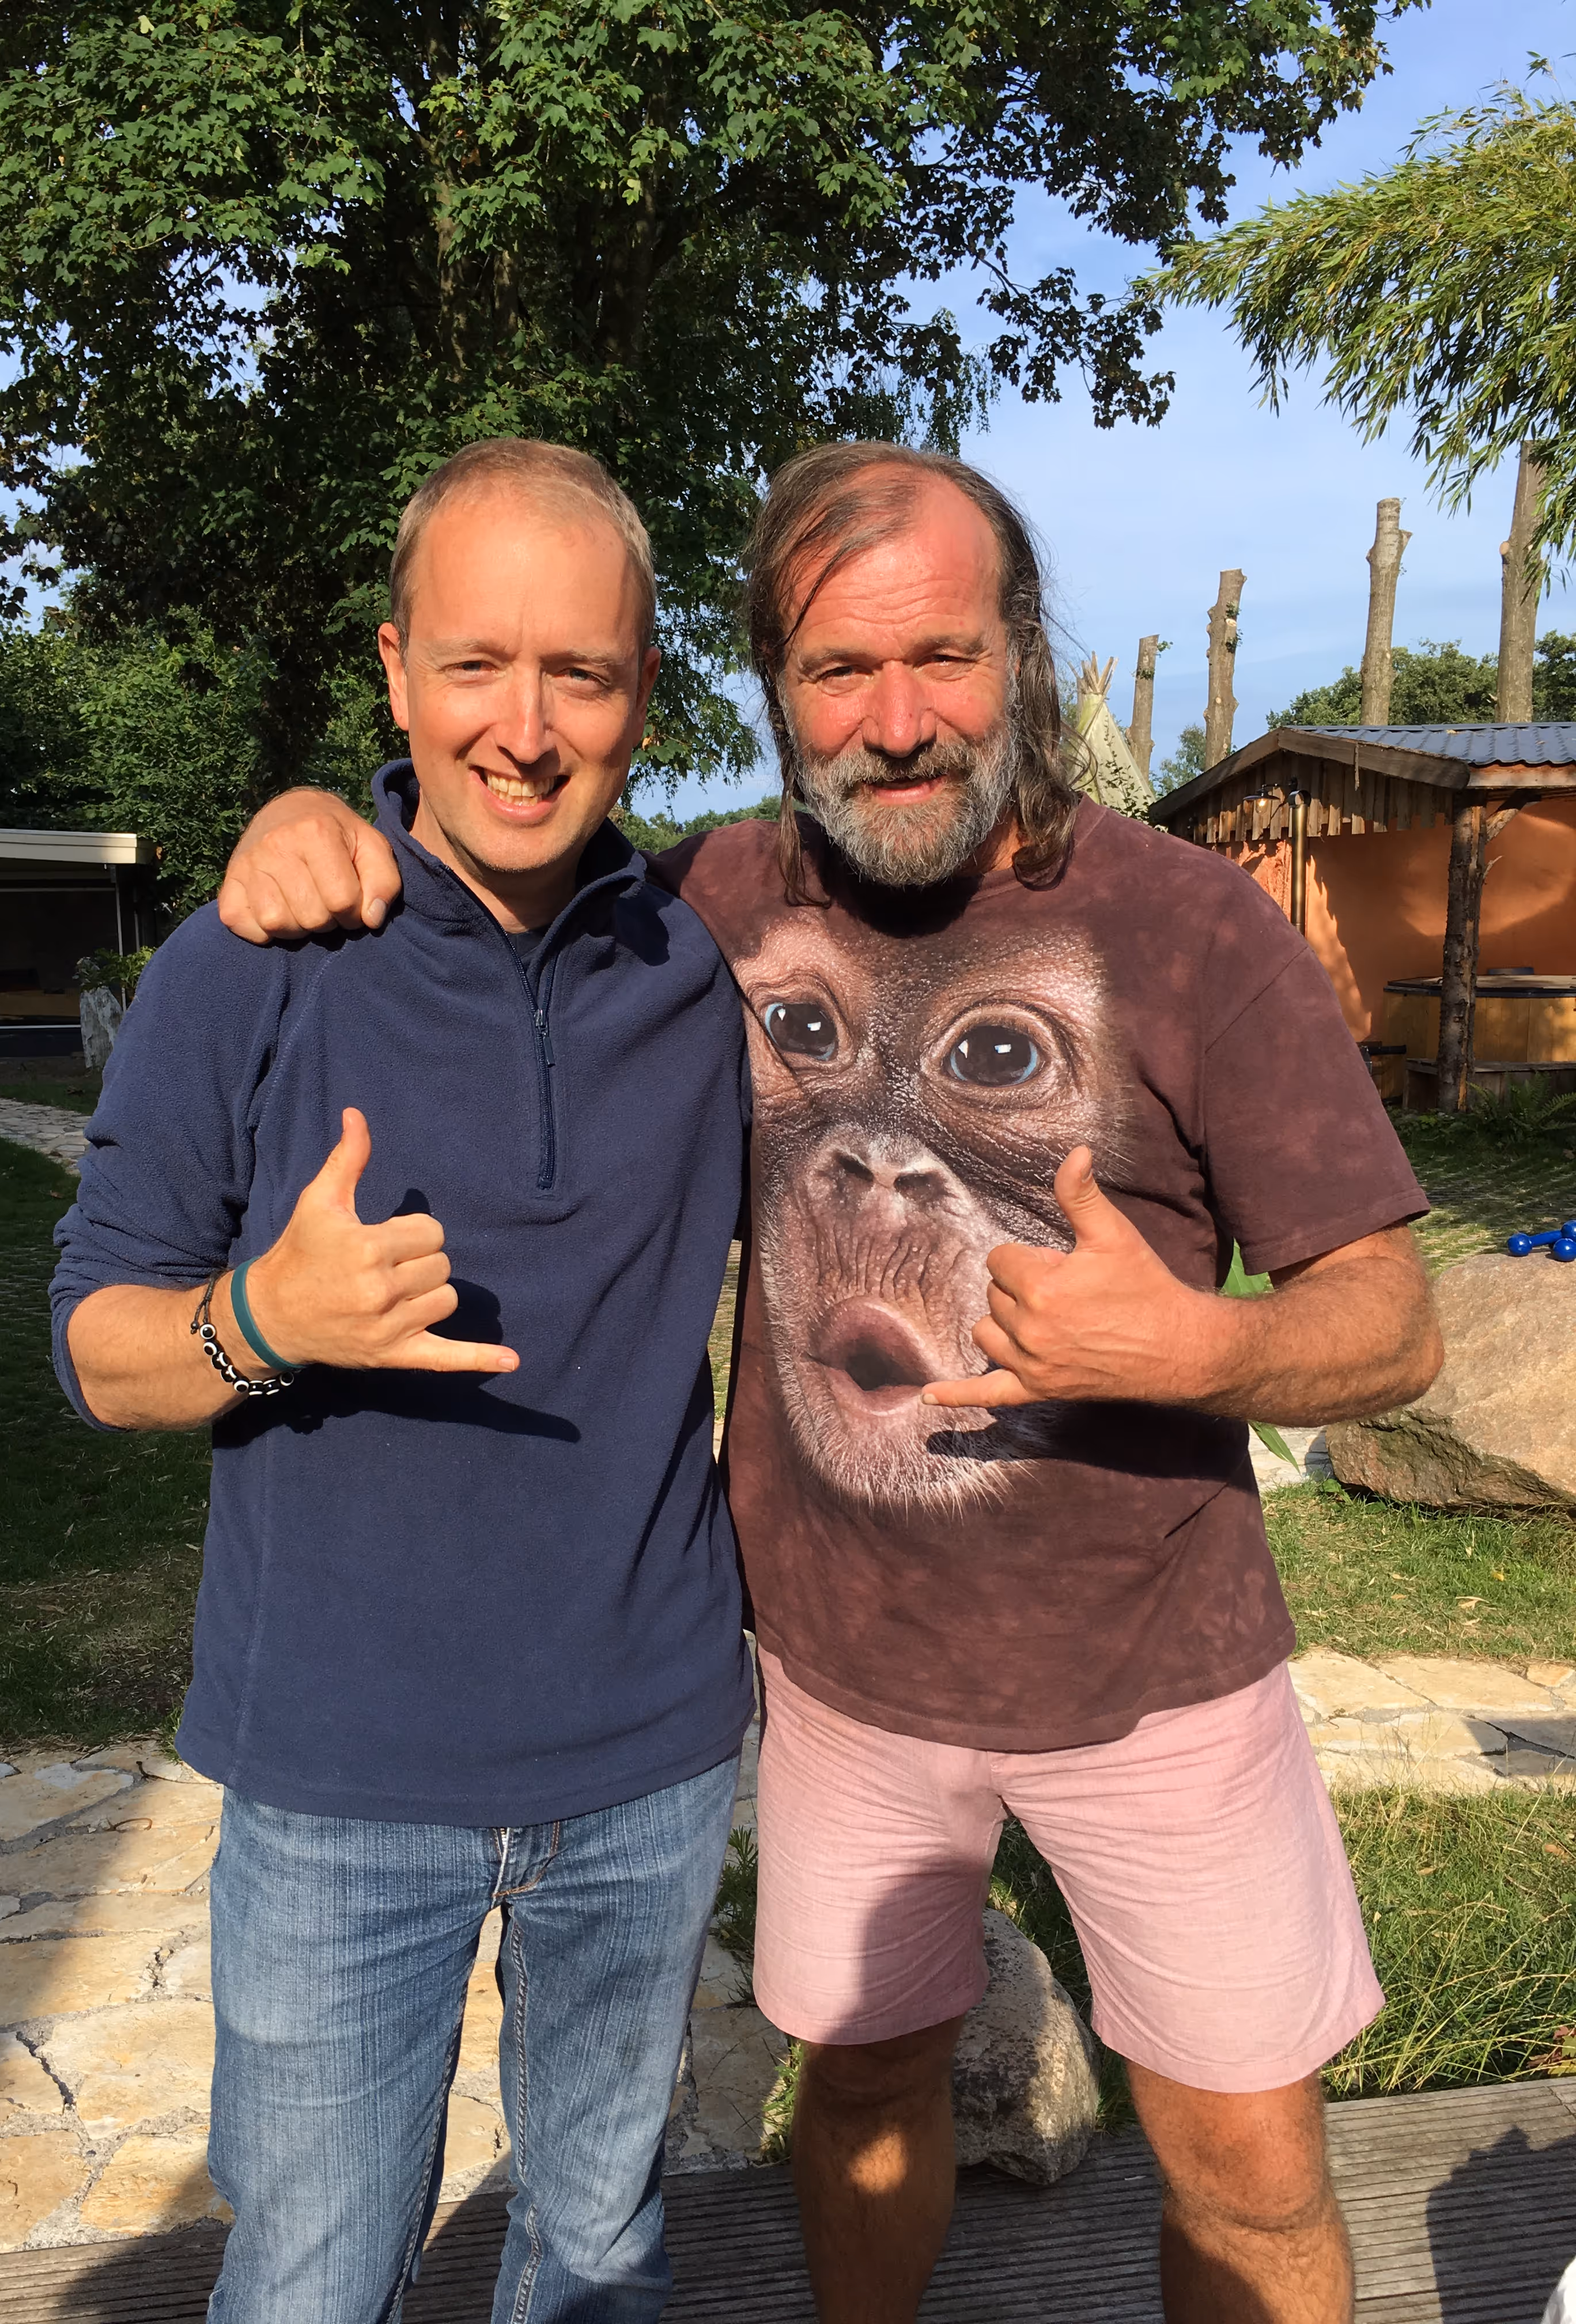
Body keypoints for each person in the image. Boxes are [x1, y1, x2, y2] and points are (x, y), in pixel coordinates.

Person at [220, 440, 1443, 2324]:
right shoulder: (710, 900)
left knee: (1247, 2165)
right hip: (838, 1677)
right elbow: (494, 858)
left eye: (939, 656)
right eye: (834, 671)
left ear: (1019, 653)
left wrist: (1204, 1347)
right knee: (865, 2092)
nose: (893, 721)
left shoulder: (1197, 931)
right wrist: (321, 815)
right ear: (773, 689)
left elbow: (1391, 1316)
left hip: (1156, 1673)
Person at [50, 439, 754, 2324]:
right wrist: (263, 1323)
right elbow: (97, 1353)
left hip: (651, 1761)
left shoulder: (715, 967)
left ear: (644, 693)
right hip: (341, 1782)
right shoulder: (251, 963)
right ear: (392, 670)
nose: (523, 728)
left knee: (598, 2254)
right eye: (474, 664)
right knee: (309, 2281)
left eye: (579, 675)